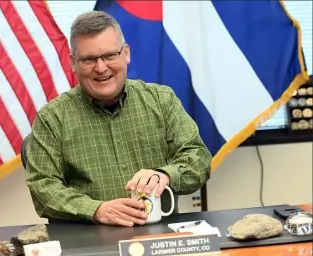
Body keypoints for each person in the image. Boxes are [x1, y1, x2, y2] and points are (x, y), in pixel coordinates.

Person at [25, 11, 212, 227]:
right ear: (72, 63)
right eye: (88, 59)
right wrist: (96, 210)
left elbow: (199, 158)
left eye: (110, 55)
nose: (101, 68)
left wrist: (165, 175)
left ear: (126, 53)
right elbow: (42, 187)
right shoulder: (51, 119)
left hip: (158, 239)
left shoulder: (162, 100)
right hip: (89, 242)